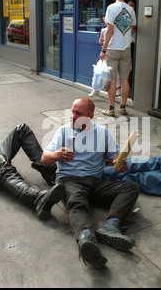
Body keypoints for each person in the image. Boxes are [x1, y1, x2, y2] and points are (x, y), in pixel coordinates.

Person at [41, 98, 140, 269]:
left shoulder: (102, 132)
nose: (73, 116)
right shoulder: (63, 131)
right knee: (76, 201)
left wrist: (119, 162)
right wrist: (56, 155)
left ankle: (110, 226)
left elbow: (113, 156)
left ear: (90, 116)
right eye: (72, 111)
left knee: (131, 188)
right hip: (69, 179)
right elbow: (44, 158)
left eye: (78, 113)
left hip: (95, 181)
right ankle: (86, 238)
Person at [100, 0, 136, 117]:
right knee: (125, 79)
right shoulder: (131, 9)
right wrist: (126, 37)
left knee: (112, 79)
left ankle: (110, 108)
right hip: (126, 49)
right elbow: (133, 26)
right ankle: (123, 107)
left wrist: (104, 50)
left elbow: (109, 31)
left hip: (113, 49)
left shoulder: (111, 8)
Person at [89, 15, 121, 98]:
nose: (105, 22)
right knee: (99, 70)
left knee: (113, 71)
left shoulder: (111, 30)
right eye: (104, 20)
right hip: (105, 52)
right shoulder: (105, 30)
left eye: (105, 20)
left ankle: (116, 89)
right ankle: (96, 88)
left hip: (111, 51)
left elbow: (101, 42)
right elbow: (100, 42)